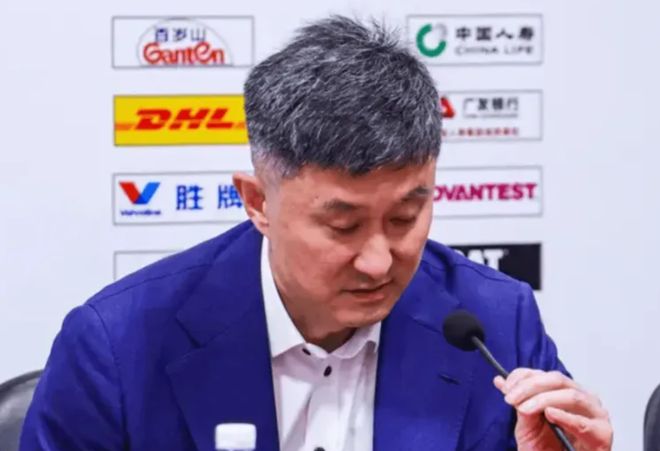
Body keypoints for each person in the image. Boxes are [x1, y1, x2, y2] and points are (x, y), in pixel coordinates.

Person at [20, 15, 613, 451]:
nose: (379, 261)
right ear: (258, 202)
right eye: (343, 225)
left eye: (405, 218)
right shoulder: (118, 346)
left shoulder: (497, 323)